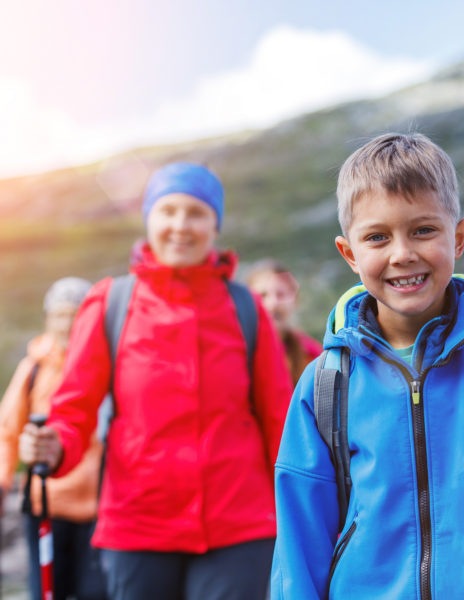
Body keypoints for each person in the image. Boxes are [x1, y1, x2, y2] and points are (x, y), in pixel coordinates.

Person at [270, 133, 464, 598]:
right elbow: (300, 541)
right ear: (350, 253)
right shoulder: (326, 385)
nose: (403, 253)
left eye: (423, 230)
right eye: (378, 237)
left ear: (458, 237)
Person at [19, 162, 293, 600]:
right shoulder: (110, 302)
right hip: (138, 524)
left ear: (215, 225)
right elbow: (73, 411)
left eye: (197, 213)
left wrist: (303, 510)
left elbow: (280, 421)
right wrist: (55, 446)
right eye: (168, 211)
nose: (181, 225)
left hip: (240, 524)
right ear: (149, 219)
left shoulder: (245, 308)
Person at [0, 276, 107, 600]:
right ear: (48, 319)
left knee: (97, 594)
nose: (67, 323)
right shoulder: (33, 368)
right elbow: (8, 431)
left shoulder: (107, 366)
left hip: (100, 509)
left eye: (75, 314)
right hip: (46, 504)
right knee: (47, 592)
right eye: (59, 315)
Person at [245, 259, 322, 384]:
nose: (272, 304)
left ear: (295, 300)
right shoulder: (237, 353)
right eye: (263, 295)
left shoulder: (313, 356)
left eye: (280, 294)